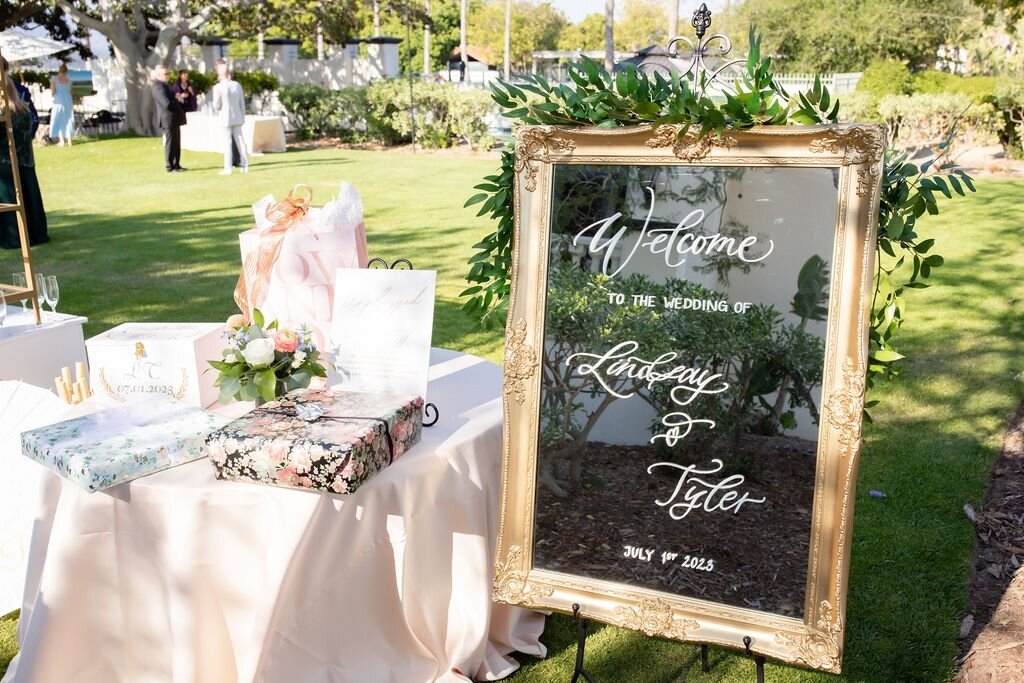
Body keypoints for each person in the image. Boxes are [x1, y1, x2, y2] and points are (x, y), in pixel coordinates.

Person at [0, 74, 49, 249]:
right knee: (30, 198)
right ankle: (37, 234)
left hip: (5, 161)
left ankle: (15, 238)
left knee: (11, 201)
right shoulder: (25, 110)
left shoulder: (5, 113)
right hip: (26, 160)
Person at [211, 59, 248, 175]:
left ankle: (228, 167)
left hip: (225, 117)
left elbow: (216, 105)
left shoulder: (218, 87)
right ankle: (245, 165)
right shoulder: (237, 85)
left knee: (227, 143)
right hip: (237, 116)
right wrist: (242, 116)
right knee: (240, 140)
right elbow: (242, 102)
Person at [150, 64, 187, 172]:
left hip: (173, 119)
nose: (168, 76)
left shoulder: (165, 85)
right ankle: (170, 165)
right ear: (158, 75)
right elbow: (166, 103)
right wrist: (176, 100)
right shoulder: (158, 86)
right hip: (167, 119)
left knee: (176, 142)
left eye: (168, 73)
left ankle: (176, 164)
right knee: (170, 143)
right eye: (166, 74)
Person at [48, 64, 75, 146]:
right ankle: (69, 140)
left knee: (58, 119)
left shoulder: (54, 79)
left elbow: (52, 92)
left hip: (58, 100)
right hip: (68, 101)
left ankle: (62, 141)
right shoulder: (69, 80)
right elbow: (70, 92)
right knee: (68, 119)